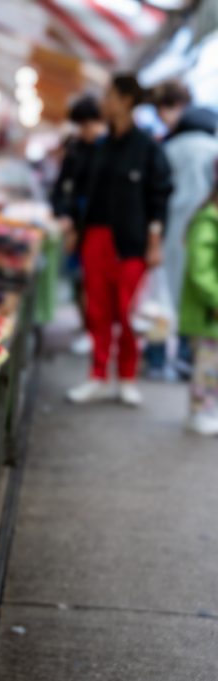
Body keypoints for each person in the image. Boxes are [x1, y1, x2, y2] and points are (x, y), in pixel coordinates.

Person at [67, 74, 173, 406]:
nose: (104, 102)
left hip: (132, 243)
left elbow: (159, 197)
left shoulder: (149, 148)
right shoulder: (100, 147)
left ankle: (127, 377)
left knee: (128, 313)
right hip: (95, 237)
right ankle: (98, 375)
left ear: (126, 99)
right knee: (97, 311)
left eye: (109, 95)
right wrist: (74, 228)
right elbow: (80, 190)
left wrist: (155, 242)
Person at [153, 80, 218, 378]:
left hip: (171, 231)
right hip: (202, 227)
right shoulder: (213, 147)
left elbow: (158, 192)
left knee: (161, 297)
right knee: (193, 296)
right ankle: (187, 360)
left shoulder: (169, 148)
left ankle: (156, 362)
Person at [51, 96, 105, 355]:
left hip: (95, 225)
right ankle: (88, 326)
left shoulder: (107, 150)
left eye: (88, 124)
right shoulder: (76, 150)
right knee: (79, 281)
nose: (85, 131)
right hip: (76, 222)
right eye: (81, 126)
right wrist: (64, 216)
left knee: (91, 282)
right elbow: (61, 188)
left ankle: (94, 331)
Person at [179, 184, 218, 435]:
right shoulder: (207, 223)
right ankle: (201, 411)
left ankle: (205, 410)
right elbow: (200, 270)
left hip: (210, 309)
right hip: (208, 312)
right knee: (207, 366)